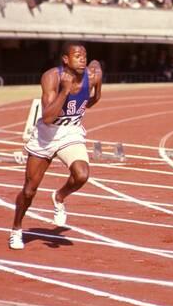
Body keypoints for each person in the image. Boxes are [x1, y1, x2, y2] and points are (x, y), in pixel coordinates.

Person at [9, 43, 103, 250]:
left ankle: (59, 196)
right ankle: (16, 229)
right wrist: (65, 91)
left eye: (84, 56)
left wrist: (78, 110)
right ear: (65, 59)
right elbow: (49, 117)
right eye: (77, 56)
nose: (82, 59)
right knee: (29, 190)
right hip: (46, 136)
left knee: (82, 175)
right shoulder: (51, 77)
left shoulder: (93, 75)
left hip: (70, 133)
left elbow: (96, 96)